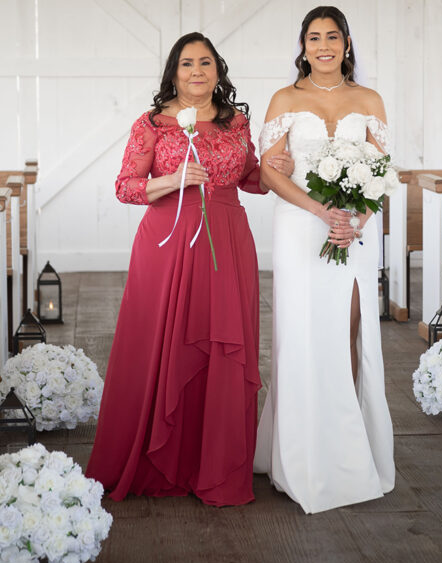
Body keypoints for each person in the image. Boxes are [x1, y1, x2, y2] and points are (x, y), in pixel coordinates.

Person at [87, 32, 291, 507]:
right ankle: (156, 460)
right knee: (160, 345)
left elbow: (249, 178)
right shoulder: (152, 123)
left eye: (204, 62)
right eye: (186, 64)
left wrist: (277, 168)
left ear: (218, 70)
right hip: (167, 242)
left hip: (228, 239)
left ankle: (214, 466)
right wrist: (172, 180)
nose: (196, 71)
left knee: (222, 347)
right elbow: (125, 187)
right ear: (173, 73)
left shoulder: (236, 122)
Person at [254, 6, 395, 513]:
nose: (323, 46)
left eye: (331, 36)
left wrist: (353, 221)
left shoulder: (369, 99)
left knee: (347, 330)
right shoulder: (284, 99)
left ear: (347, 42)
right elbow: (270, 173)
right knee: (302, 331)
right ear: (303, 46)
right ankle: (301, 457)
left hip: (355, 230)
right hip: (299, 225)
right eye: (313, 38)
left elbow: (380, 171)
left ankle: (349, 450)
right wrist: (319, 210)